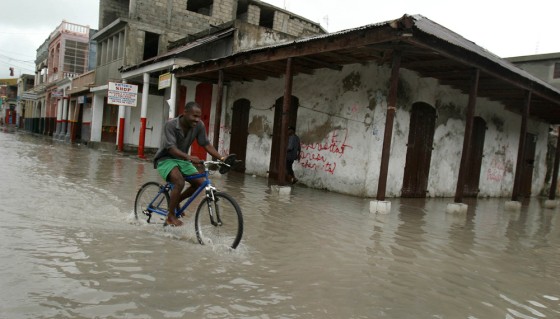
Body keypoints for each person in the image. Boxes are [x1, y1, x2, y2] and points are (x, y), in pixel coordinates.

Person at [153, 101, 226, 227]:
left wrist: (222, 158)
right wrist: (189, 157)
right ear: (185, 113)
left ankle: (175, 201)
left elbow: (206, 144)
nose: (197, 120)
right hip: (165, 159)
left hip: (182, 160)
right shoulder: (170, 125)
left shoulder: (199, 126)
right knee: (179, 181)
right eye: (194, 116)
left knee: (200, 183)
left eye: (199, 117)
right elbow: (170, 148)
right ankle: (170, 216)